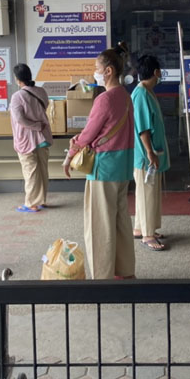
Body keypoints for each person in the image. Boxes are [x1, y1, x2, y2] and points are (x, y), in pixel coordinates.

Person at [64, 48, 135, 279]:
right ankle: (125, 270)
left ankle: (102, 276)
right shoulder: (125, 96)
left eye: (97, 69)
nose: (95, 73)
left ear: (109, 71)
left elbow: (88, 134)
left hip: (104, 167)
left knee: (99, 224)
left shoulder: (104, 99)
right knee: (121, 221)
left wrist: (70, 155)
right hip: (123, 165)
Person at [131, 55, 169, 252]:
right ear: (156, 72)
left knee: (148, 193)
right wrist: (150, 152)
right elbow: (143, 129)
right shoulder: (141, 95)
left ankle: (142, 228)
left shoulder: (147, 92)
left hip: (151, 152)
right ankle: (147, 235)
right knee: (147, 193)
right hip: (146, 155)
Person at [10, 63, 53, 212]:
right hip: (43, 137)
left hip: (26, 139)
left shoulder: (17, 97)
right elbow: (45, 106)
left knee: (30, 171)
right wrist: (38, 124)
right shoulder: (41, 91)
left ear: (17, 79)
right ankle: (41, 200)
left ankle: (31, 204)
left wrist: (34, 125)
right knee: (42, 170)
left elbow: (20, 119)